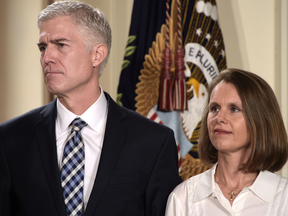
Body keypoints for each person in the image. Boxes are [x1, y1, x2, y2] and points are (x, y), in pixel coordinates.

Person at [0, 1, 181, 216]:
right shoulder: (10, 139)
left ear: (97, 54)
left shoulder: (153, 143)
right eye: (43, 47)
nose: (47, 58)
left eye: (60, 45)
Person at [165, 68, 288, 216]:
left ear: (260, 120)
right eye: (214, 108)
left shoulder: (284, 198)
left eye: (234, 109)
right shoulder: (182, 198)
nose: (219, 118)